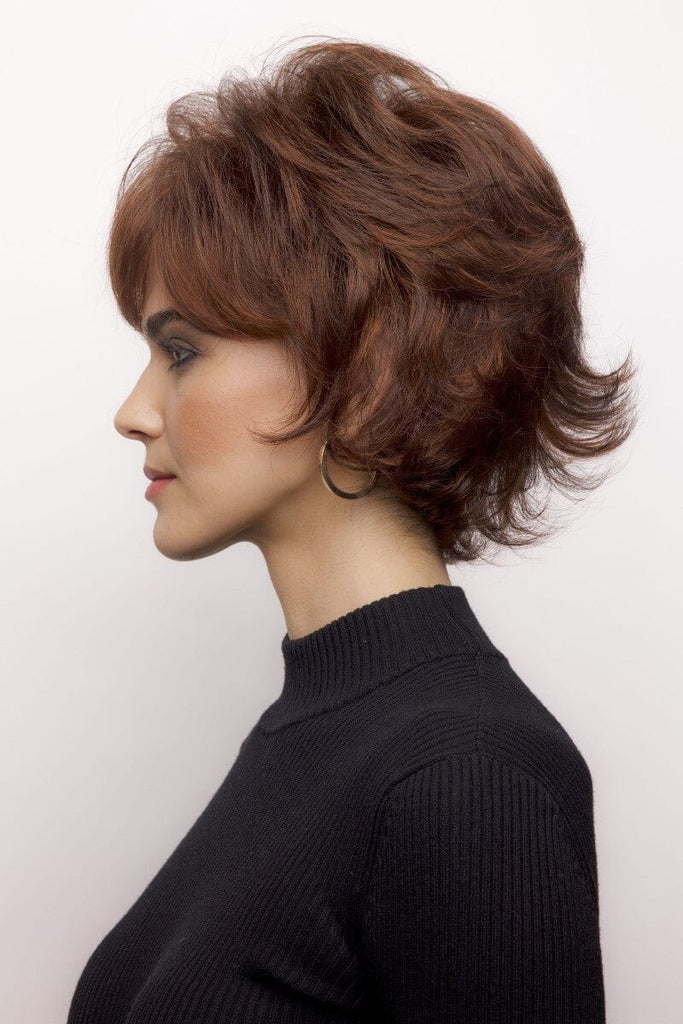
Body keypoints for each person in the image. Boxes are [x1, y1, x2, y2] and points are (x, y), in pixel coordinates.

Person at [67, 37, 637, 1023]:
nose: (133, 411)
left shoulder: (464, 773)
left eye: (181, 351)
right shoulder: (319, 730)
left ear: (368, 365)